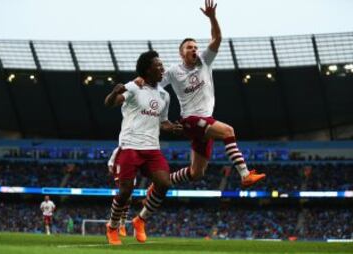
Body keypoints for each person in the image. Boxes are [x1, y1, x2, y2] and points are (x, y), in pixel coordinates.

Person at [139, 0, 265, 190]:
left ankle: (160, 183)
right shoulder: (173, 70)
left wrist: (212, 18)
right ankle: (245, 175)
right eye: (189, 47)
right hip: (191, 119)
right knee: (228, 131)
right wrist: (139, 82)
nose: (194, 49)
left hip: (205, 121)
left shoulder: (205, 61)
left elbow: (217, 39)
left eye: (195, 47)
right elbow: (154, 82)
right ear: (181, 52)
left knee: (196, 173)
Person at [104, 50, 182, 245]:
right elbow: (109, 104)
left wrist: (170, 126)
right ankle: (112, 227)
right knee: (125, 191)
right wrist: (115, 92)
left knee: (164, 183)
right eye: (159, 65)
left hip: (152, 148)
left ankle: (140, 220)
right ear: (147, 69)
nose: (163, 68)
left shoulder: (164, 95)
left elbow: (162, 122)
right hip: (130, 146)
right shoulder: (133, 87)